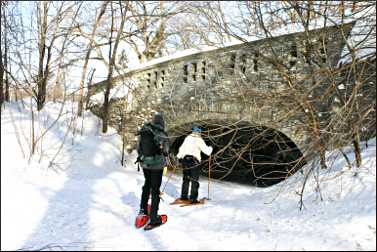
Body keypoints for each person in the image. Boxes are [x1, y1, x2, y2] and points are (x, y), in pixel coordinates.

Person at [137, 112, 169, 225]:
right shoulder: (162, 134)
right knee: (155, 190)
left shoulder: (146, 130)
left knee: (147, 185)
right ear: (162, 123)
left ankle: (143, 210)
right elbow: (166, 151)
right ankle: (154, 217)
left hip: (145, 164)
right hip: (157, 166)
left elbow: (138, 148)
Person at [176, 125, 213, 204]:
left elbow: (181, 149)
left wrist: (179, 157)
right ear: (199, 132)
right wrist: (210, 148)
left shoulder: (187, 138)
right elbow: (207, 151)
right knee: (194, 180)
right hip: (194, 161)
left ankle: (184, 196)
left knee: (186, 179)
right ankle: (193, 198)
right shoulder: (199, 139)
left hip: (185, 160)